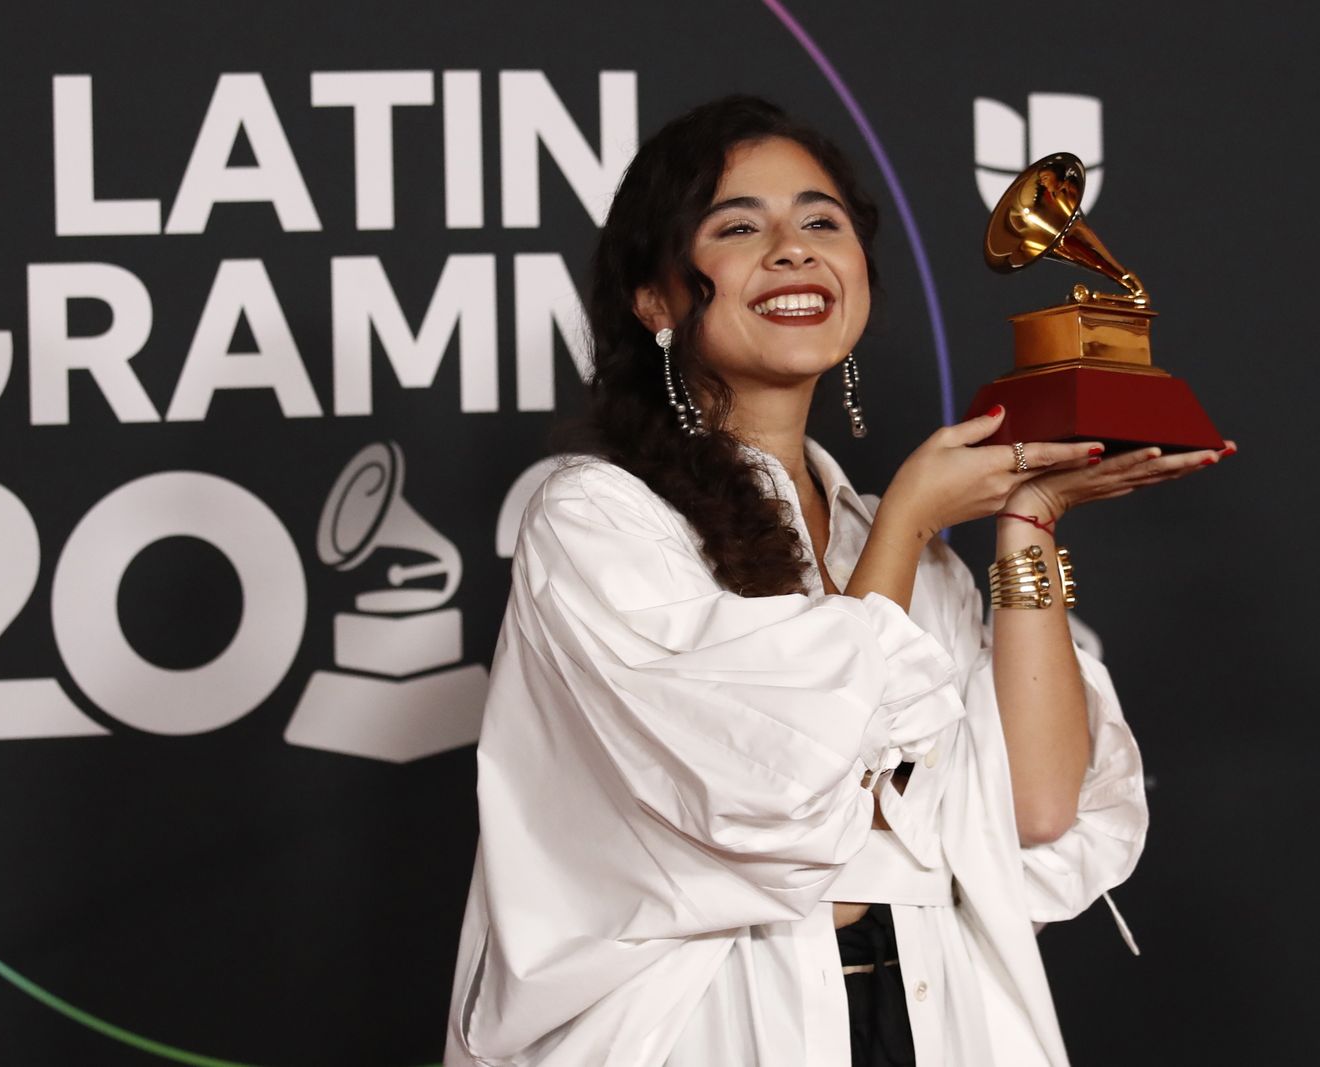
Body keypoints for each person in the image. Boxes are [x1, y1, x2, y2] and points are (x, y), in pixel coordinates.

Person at [444, 96, 1232, 1067]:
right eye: (739, 225)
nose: (792, 248)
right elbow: (773, 793)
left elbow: (1033, 808)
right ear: (652, 298)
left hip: (935, 1014)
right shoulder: (597, 522)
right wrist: (905, 518)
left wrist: (1026, 520)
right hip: (701, 1028)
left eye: (821, 221)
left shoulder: (908, 544)